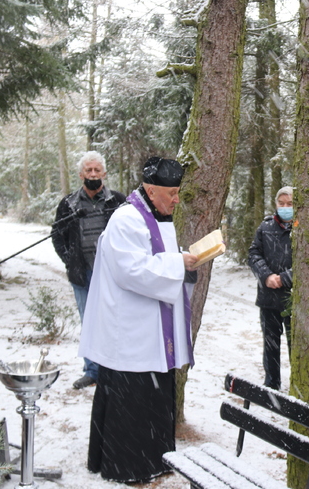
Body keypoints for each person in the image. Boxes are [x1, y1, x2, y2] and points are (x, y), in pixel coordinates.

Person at [79, 157, 199, 483]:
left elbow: (158, 261)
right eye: (171, 192)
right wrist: (178, 264)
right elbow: (132, 270)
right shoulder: (127, 219)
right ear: (150, 189)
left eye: (177, 192)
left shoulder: (159, 218)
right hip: (130, 329)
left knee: (153, 397)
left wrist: (185, 263)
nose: (176, 199)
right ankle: (128, 464)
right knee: (132, 400)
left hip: (152, 329)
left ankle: (156, 457)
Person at [52, 151, 126, 390]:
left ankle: (114, 369)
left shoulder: (118, 202)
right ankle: (92, 370)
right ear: (81, 174)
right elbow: (57, 235)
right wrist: (69, 261)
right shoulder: (69, 203)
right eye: (88, 171)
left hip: (111, 275)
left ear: (104, 173)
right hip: (82, 275)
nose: (93, 174)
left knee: (114, 321)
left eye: (96, 170)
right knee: (89, 323)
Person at [248, 186, 294, 390]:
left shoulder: (305, 228)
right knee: (270, 344)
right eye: (281, 203)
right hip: (269, 297)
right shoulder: (266, 227)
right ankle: (271, 384)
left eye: (290, 204)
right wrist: (266, 276)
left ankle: (299, 385)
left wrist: (286, 278)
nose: (285, 207)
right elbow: (253, 254)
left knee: (297, 345)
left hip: (294, 300)